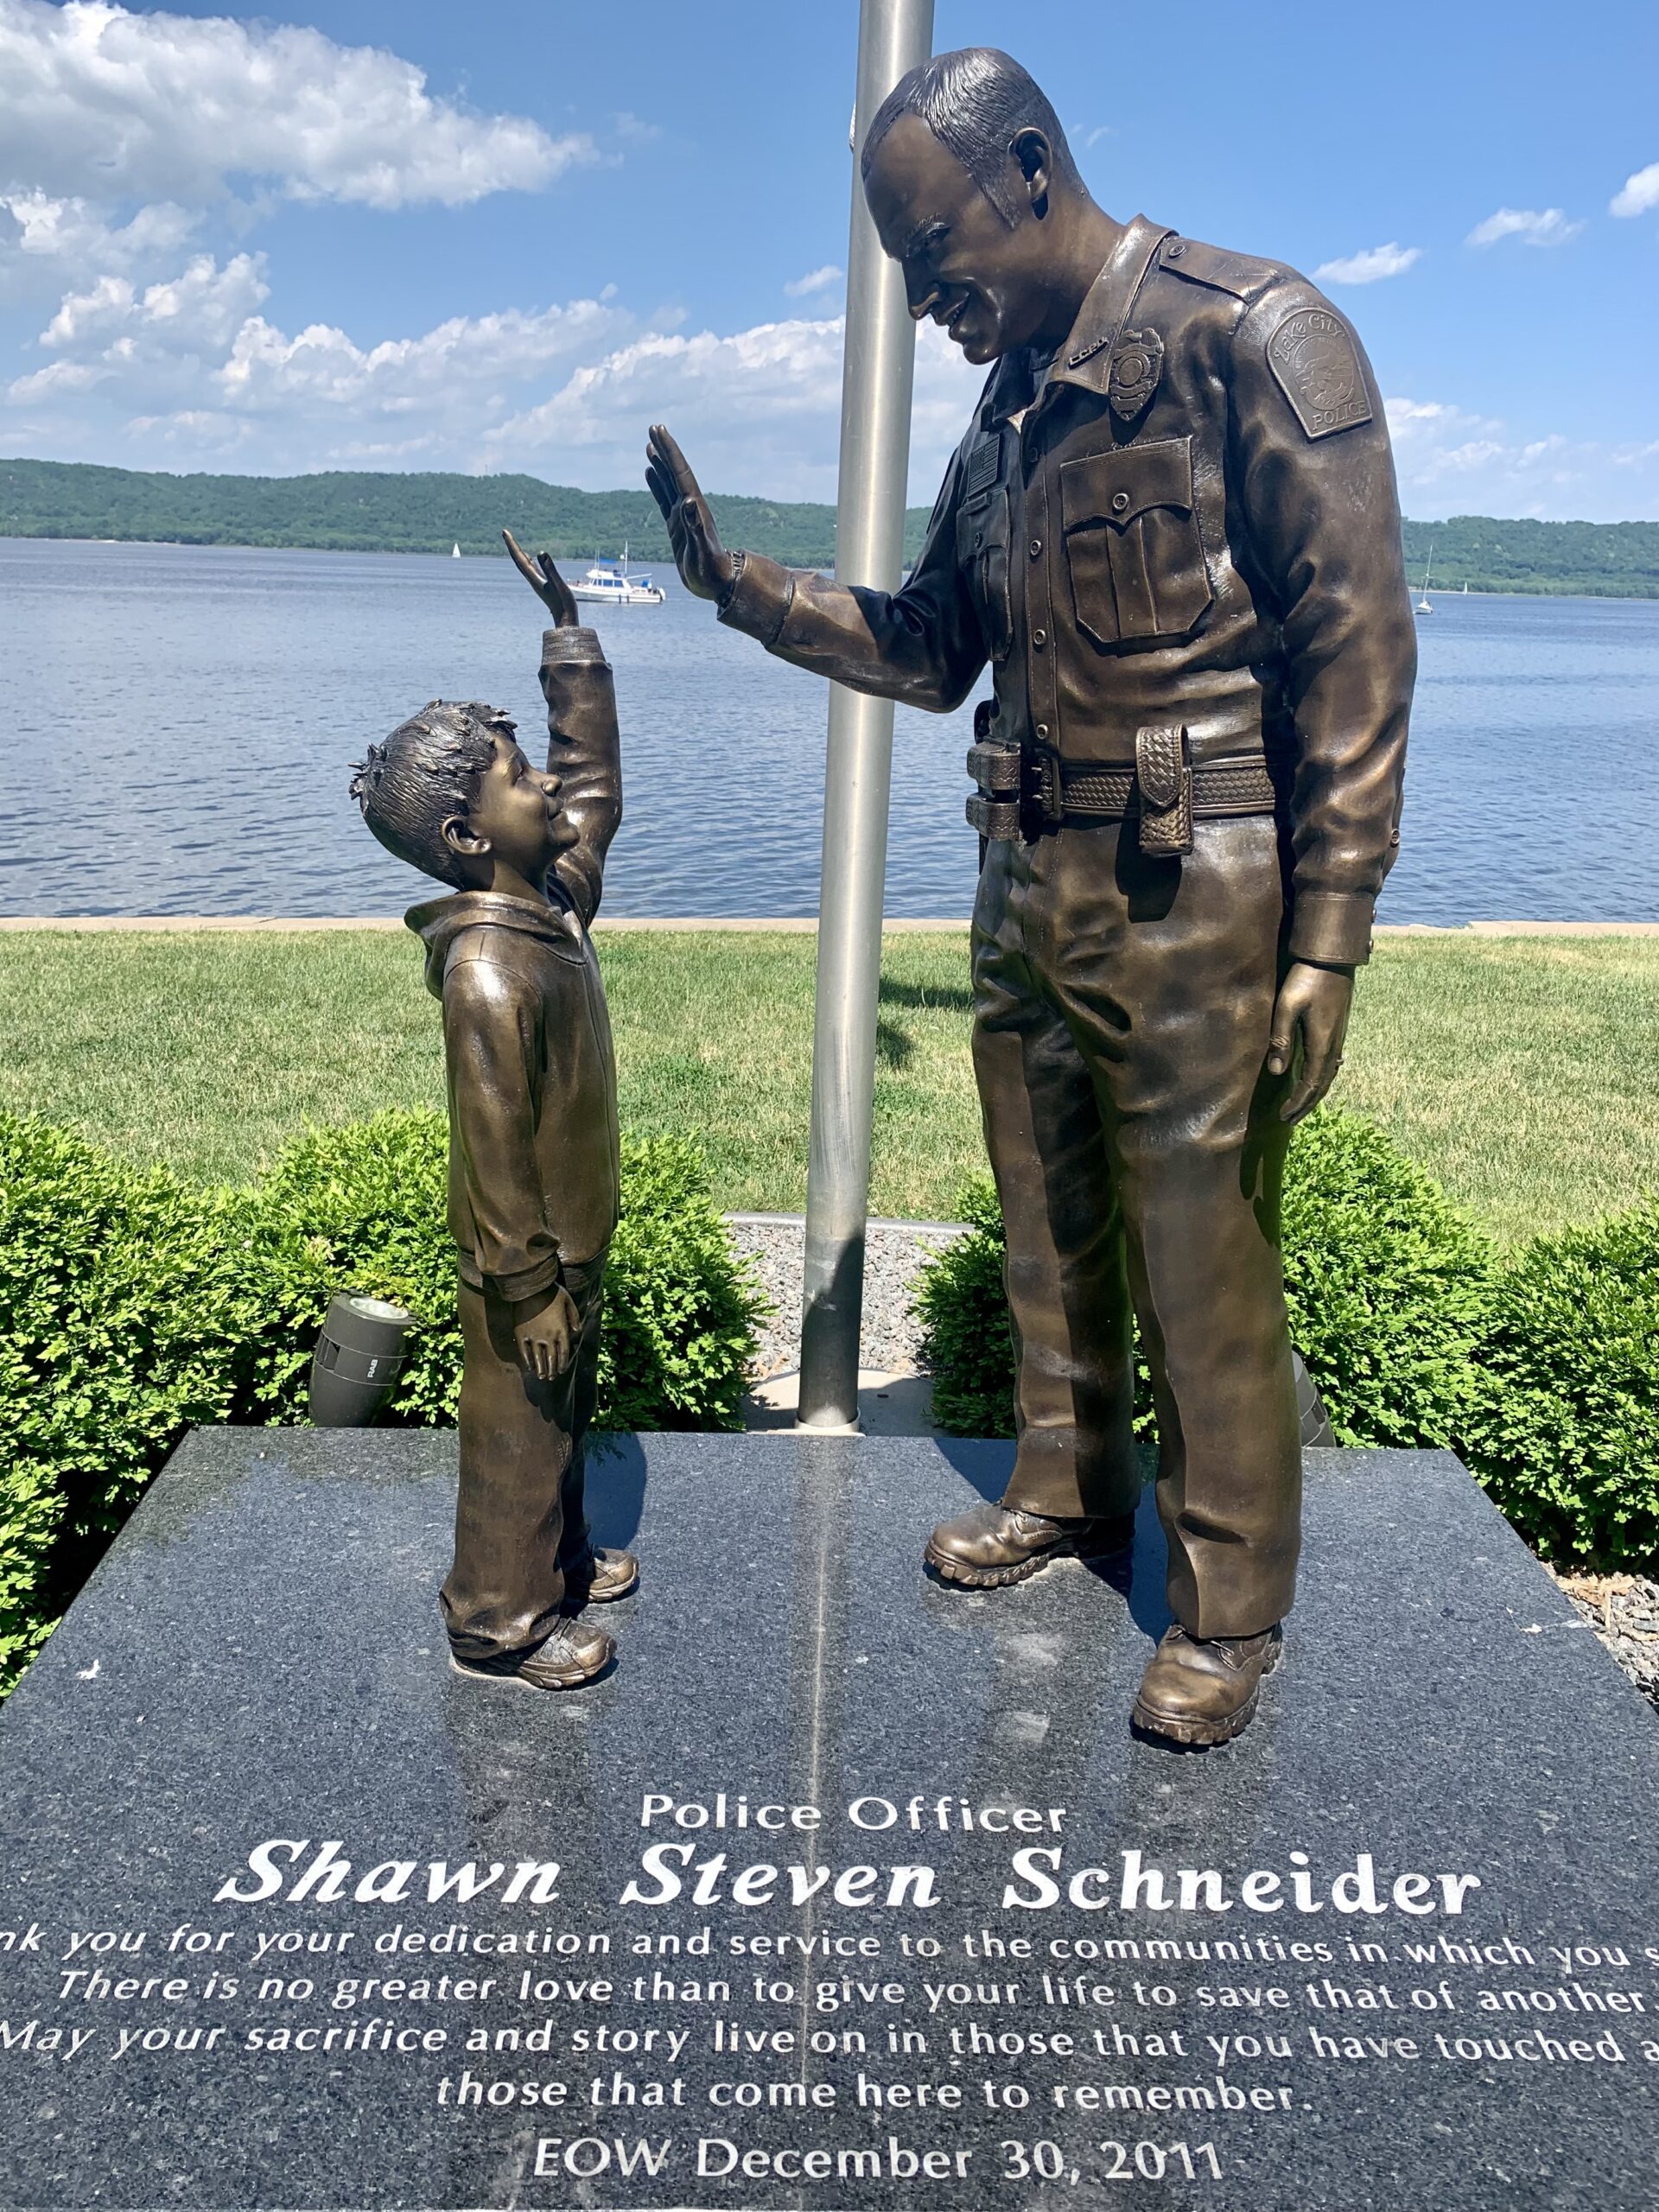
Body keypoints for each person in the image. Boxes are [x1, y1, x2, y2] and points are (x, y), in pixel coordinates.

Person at [644, 48, 1414, 1745]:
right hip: (1025, 881)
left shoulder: (1255, 333)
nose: (929, 299)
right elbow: (931, 646)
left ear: (1033, 171)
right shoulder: (1000, 423)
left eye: (935, 251)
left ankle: (1231, 1602)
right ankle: (1067, 1488)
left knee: (1199, 1247)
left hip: (1194, 884)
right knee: (1051, 1234)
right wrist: (742, 590)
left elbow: (1356, 646)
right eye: (908, 268)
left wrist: (1331, 931)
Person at [349, 543, 632, 1691]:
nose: (548, 789)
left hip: (570, 1240)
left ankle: (555, 1562)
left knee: (556, 1415)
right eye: (520, 780)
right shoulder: (486, 975)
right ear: (469, 838)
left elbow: (595, 784)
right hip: (527, 1259)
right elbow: (491, 1146)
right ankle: (499, 1617)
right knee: (516, 1431)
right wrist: (524, 1281)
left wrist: (572, 641)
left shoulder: (554, 905)